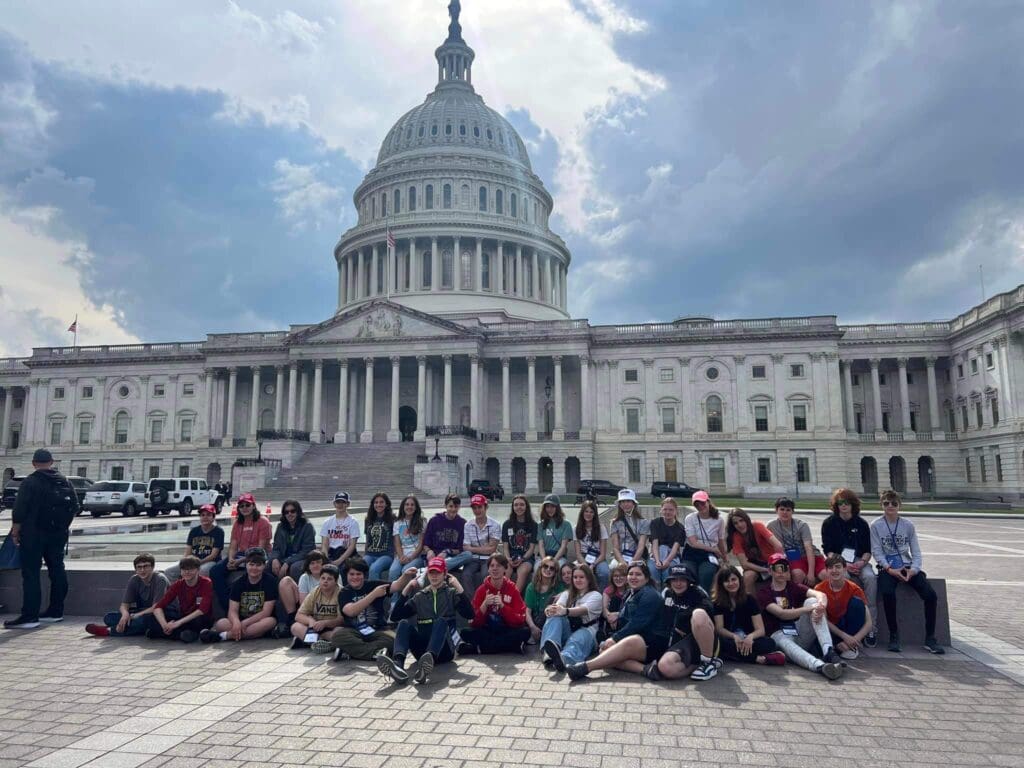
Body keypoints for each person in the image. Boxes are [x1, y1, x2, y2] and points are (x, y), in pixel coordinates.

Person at [5, 448, 78, 629]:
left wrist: (15, 531)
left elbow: (20, 510)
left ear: (33, 463)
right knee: (57, 569)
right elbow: (75, 506)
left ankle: (30, 616)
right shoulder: (65, 481)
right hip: (58, 534)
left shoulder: (31, 482)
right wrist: (62, 526)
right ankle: (55, 611)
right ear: (52, 462)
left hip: (33, 534)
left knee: (30, 573)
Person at [374, 558, 474, 685]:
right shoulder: (420, 596)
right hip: (422, 652)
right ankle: (398, 665)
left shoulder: (451, 593)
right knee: (404, 623)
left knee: (441, 622)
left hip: (445, 651)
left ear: (445, 573)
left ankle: (429, 662)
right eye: (431, 572)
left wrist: (458, 587)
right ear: (427, 574)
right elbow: (395, 616)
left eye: (438, 572)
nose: (434, 576)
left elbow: (470, 614)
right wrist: (406, 590)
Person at [870, 489, 944, 654]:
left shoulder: (908, 525)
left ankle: (930, 638)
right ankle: (894, 635)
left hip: (908, 566)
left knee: (930, 595)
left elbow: (916, 551)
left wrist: (914, 570)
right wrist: (889, 569)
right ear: (881, 505)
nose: (890, 506)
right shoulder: (876, 525)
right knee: (888, 593)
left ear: (899, 506)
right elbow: (877, 552)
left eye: (894, 503)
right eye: (886, 503)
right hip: (888, 568)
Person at [564, 562, 662, 680]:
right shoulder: (631, 592)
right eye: (631, 574)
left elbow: (637, 623)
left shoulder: (650, 594)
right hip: (636, 639)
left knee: (614, 650)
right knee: (604, 652)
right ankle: (646, 669)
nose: (633, 577)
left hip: (652, 643)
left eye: (638, 574)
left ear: (646, 578)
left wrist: (615, 638)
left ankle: (585, 667)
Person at [757, 553, 844, 679]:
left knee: (813, 601)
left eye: (785, 568)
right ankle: (819, 666)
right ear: (770, 571)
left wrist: (820, 606)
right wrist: (808, 609)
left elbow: (821, 595)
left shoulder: (793, 586)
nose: (781, 572)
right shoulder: (764, 593)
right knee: (786, 641)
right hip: (778, 635)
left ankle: (828, 651)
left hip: (798, 630)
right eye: (777, 568)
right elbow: (782, 614)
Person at [820, 487, 878, 647]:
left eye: (846, 503)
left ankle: (871, 628)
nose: (843, 506)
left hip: (859, 560)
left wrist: (861, 563)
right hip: (839, 561)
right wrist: (843, 565)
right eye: (840, 503)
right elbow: (828, 550)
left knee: (870, 578)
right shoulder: (829, 523)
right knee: (841, 578)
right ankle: (843, 626)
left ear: (853, 504)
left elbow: (867, 550)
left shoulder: (861, 523)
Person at [643, 564, 720, 682]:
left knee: (699, 614)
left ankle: (708, 662)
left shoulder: (697, 592)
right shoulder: (667, 593)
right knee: (665, 668)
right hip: (677, 642)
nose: (678, 583)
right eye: (674, 579)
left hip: (699, 639)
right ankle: (698, 664)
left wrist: (682, 619)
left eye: (682, 579)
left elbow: (709, 609)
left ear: (689, 581)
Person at [201, 547, 279, 642]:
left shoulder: (270, 582)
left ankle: (224, 636)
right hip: (241, 620)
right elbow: (232, 610)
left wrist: (245, 623)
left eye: (258, 565)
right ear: (246, 565)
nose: (254, 568)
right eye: (251, 564)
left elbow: (266, 612)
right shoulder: (238, 583)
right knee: (221, 623)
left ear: (264, 566)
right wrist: (237, 622)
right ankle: (253, 635)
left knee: (271, 621)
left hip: (258, 620)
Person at [711, 566, 784, 666]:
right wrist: (734, 636)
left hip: (748, 638)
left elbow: (760, 630)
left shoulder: (750, 599)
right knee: (720, 643)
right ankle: (758, 659)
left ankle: (736, 655)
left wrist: (750, 637)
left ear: (739, 580)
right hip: (729, 638)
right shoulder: (718, 602)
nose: (731, 583)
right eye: (727, 581)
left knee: (769, 643)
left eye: (734, 579)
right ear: (721, 584)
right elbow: (719, 629)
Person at [459, 553, 530, 655]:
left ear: (505, 569)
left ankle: (481, 648)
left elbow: (520, 620)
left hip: (506, 629)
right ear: (488, 570)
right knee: (465, 632)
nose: (495, 569)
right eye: (492, 566)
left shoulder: (512, 588)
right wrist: (484, 605)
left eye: (499, 566)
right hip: (488, 630)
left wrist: (503, 607)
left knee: (525, 632)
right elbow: (473, 623)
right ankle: (511, 647)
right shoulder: (481, 590)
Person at [84, 553, 169, 637]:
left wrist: (137, 615)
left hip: (163, 614)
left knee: (143, 620)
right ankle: (131, 626)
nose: (142, 570)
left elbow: (156, 607)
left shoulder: (160, 579)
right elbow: (124, 605)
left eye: (146, 566)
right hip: (143, 611)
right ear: (135, 569)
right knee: (109, 617)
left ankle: (108, 631)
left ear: (152, 567)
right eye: (139, 567)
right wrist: (125, 615)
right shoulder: (134, 579)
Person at [211, 492, 272, 609]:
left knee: (250, 570)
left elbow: (260, 549)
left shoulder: (263, 522)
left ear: (253, 506)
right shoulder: (238, 523)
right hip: (241, 554)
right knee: (215, 571)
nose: (244, 508)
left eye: (247, 505)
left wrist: (240, 562)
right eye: (241, 506)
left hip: (259, 555)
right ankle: (228, 606)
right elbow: (233, 545)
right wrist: (231, 559)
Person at [332, 558, 398, 662]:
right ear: (347, 575)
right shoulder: (344, 592)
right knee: (337, 636)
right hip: (354, 630)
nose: (355, 577)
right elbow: (351, 611)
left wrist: (407, 575)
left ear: (364, 575)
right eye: (352, 574)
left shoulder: (373, 585)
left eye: (358, 574)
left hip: (378, 630)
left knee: (395, 640)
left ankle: (351, 651)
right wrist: (374, 594)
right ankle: (376, 653)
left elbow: (397, 585)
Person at [540, 563, 603, 672]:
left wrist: (565, 611)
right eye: (575, 577)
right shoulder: (567, 593)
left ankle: (563, 659)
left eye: (581, 577)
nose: (578, 580)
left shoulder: (596, 595)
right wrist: (551, 609)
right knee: (555, 616)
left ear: (589, 579)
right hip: (569, 629)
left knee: (577, 639)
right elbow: (559, 606)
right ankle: (548, 653)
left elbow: (582, 610)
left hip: (587, 631)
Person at [814, 554, 873, 660]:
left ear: (844, 569)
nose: (834, 570)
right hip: (832, 629)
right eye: (830, 568)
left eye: (838, 567)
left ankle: (850, 646)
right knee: (815, 647)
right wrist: (844, 637)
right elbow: (824, 620)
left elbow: (868, 622)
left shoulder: (855, 589)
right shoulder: (819, 589)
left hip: (849, 627)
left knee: (857, 603)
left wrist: (854, 639)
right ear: (826, 570)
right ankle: (839, 646)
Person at [148, 556, 215, 643]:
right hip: (183, 617)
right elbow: (158, 606)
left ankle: (167, 633)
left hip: (199, 618)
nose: (187, 572)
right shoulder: (178, 584)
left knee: (198, 620)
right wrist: (164, 625)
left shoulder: (206, 583)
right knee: (152, 618)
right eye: (184, 569)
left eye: (190, 569)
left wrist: (178, 623)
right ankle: (180, 634)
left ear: (198, 570)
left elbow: (202, 610)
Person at [766, 497, 825, 586]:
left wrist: (811, 573)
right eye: (782, 509)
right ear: (776, 510)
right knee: (798, 575)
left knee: (825, 575)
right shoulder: (771, 526)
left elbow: (809, 548)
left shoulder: (802, 525)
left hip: (811, 556)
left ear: (792, 512)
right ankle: (800, 597)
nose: (785, 512)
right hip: (794, 559)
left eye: (788, 510)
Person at [289, 563, 344, 653]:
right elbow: (298, 616)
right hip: (315, 627)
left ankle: (309, 641)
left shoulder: (341, 593)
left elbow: (342, 620)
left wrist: (325, 623)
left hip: (333, 627)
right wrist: (311, 621)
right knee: (295, 627)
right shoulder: (315, 592)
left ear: (336, 581)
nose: (325, 581)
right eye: (323, 578)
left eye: (329, 579)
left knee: (340, 633)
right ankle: (327, 644)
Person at [726, 508, 783, 594]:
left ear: (747, 519)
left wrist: (775, 566)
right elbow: (744, 564)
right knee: (748, 576)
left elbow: (778, 546)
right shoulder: (736, 536)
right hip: (756, 564)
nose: (740, 525)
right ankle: (753, 605)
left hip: (772, 561)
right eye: (736, 523)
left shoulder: (757, 526)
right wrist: (765, 570)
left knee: (785, 572)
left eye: (741, 520)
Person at [681, 491, 727, 593]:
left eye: (702, 503)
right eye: (697, 504)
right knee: (687, 573)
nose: (700, 506)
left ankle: (704, 600)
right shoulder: (690, 518)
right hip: (692, 552)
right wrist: (714, 549)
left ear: (708, 502)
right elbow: (693, 542)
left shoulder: (719, 520)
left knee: (706, 574)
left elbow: (720, 540)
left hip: (708, 555)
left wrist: (724, 557)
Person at [164, 504, 223, 582]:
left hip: (210, 561)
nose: (205, 517)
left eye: (208, 515)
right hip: (192, 561)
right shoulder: (194, 531)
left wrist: (199, 562)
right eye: (202, 515)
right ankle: (178, 591)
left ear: (213, 517)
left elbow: (213, 555)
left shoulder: (218, 531)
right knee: (169, 571)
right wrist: (184, 562)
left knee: (202, 571)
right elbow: (188, 551)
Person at [461, 494, 501, 597]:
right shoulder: (468, 525)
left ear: (486, 507)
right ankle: (473, 604)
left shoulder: (495, 525)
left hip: (489, 558)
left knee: (486, 575)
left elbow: (492, 549)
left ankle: (486, 601)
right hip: (473, 559)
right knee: (465, 575)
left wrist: (472, 548)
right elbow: (466, 547)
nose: (477, 510)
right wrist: (484, 548)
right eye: (474, 508)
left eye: (480, 507)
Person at [269, 500, 316, 581]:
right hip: (284, 557)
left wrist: (288, 562)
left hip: (302, 558)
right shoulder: (281, 526)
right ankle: (273, 591)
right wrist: (274, 559)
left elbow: (307, 550)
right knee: (268, 565)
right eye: (286, 512)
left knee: (295, 567)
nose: (289, 514)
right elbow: (276, 548)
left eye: (292, 511)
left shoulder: (307, 526)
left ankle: (297, 591)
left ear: (298, 512)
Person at [423, 493, 471, 572]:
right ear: (445, 506)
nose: (453, 509)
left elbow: (460, 549)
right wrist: (429, 551)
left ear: (459, 507)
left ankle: (437, 566)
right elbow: (426, 544)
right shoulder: (434, 520)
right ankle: (437, 565)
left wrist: (447, 551)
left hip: (452, 559)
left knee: (468, 555)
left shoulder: (462, 523)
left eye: (456, 507)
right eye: (451, 506)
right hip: (435, 556)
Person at [502, 493, 538, 595]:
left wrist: (522, 559)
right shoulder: (507, 524)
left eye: (522, 504)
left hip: (526, 558)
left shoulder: (533, 525)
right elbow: (505, 547)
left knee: (522, 571)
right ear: (513, 507)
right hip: (510, 557)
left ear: (526, 507)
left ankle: (513, 597)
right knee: (506, 570)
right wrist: (508, 558)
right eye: (516, 505)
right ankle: (502, 595)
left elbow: (531, 549)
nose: (519, 507)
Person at [524, 556, 565, 642]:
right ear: (540, 568)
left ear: (555, 572)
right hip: (535, 622)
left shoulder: (559, 587)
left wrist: (564, 593)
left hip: (551, 621)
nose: (548, 569)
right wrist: (533, 627)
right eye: (545, 566)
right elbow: (527, 611)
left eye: (552, 568)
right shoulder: (531, 587)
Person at [278, 550, 326, 622]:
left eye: (318, 562)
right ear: (308, 566)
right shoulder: (304, 577)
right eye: (312, 563)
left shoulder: (334, 576)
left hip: (328, 611)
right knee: (285, 581)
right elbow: (303, 603)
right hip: (309, 610)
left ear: (324, 564)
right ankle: (291, 619)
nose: (316, 565)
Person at [648, 498, 686, 586]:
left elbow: (675, 548)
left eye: (671, 510)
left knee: (668, 573)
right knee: (653, 571)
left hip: (671, 556)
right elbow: (654, 543)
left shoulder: (680, 528)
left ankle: (667, 595)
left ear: (676, 511)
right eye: (665, 509)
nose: (667, 512)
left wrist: (667, 562)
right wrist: (657, 561)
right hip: (656, 555)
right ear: (661, 510)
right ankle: (656, 596)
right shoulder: (655, 523)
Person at [388, 494, 426, 581]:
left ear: (416, 507)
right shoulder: (397, 523)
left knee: (406, 570)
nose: (409, 507)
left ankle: (405, 595)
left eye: (412, 505)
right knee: (393, 571)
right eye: (407, 504)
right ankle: (393, 595)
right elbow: (397, 544)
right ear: (403, 507)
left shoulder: (422, 522)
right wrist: (401, 557)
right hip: (401, 556)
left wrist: (411, 558)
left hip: (416, 557)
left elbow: (421, 545)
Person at [573, 500, 610, 591]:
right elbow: (578, 553)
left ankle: (600, 596)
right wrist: (585, 565)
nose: (588, 514)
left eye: (591, 512)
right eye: (586, 511)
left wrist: (593, 565)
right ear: (582, 513)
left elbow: (603, 553)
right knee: (570, 571)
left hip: (598, 558)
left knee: (604, 573)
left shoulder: (601, 528)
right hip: (583, 557)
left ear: (594, 514)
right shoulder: (576, 528)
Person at [320, 491, 360, 573]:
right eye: (338, 502)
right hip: (331, 553)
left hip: (346, 554)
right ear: (334, 504)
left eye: (343, 502)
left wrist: (339, 561)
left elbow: (352, 546)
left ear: (348, 504)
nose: (340, 505)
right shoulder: (327, 522)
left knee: (343, 570)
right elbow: (324, 544)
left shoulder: (353, 522)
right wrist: (326, 560)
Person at [609, 488, 649, 567]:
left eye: (628, 501)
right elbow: (615, 548)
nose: (625, 504)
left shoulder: (644, 522)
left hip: (637, 557)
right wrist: (623, 563)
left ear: (634, 503)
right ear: (619, 504)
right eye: (623, 502)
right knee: (613, 567)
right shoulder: (614, 522)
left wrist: (632, 562)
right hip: (620, 558)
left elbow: (641, 547)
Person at [362, 492, 395, 581]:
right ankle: (362, 593)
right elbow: (367, 539)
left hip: (386, 555)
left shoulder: (393, 519)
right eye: (376, 502)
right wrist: (365, 554)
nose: (378, 504)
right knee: (359, 567)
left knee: (374, 569)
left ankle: (376, 594)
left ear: (386, 504)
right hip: (370, 554)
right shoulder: (368, 519)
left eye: (381, 502)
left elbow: (396, 539)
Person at [537, 494, 574, 565]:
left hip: (559, 556)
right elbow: (541, 546)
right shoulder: (540, 525)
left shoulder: (566, 525)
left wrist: (554, 561)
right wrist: (544, 560)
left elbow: (563, 546)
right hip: (543, 556)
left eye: (553, 506)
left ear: (558, 508)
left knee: (558, 567)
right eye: (547, 506)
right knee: (537, 568)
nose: (550, 509)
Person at [599, 563, 628, 641]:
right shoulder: (608, 590)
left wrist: (617, 616)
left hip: (625, 618)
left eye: (622, 576)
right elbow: (604, 609)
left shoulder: (630, 590)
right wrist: (611, 618)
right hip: (610, 620)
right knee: (615, 600)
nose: (618, 578)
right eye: (615, 576)